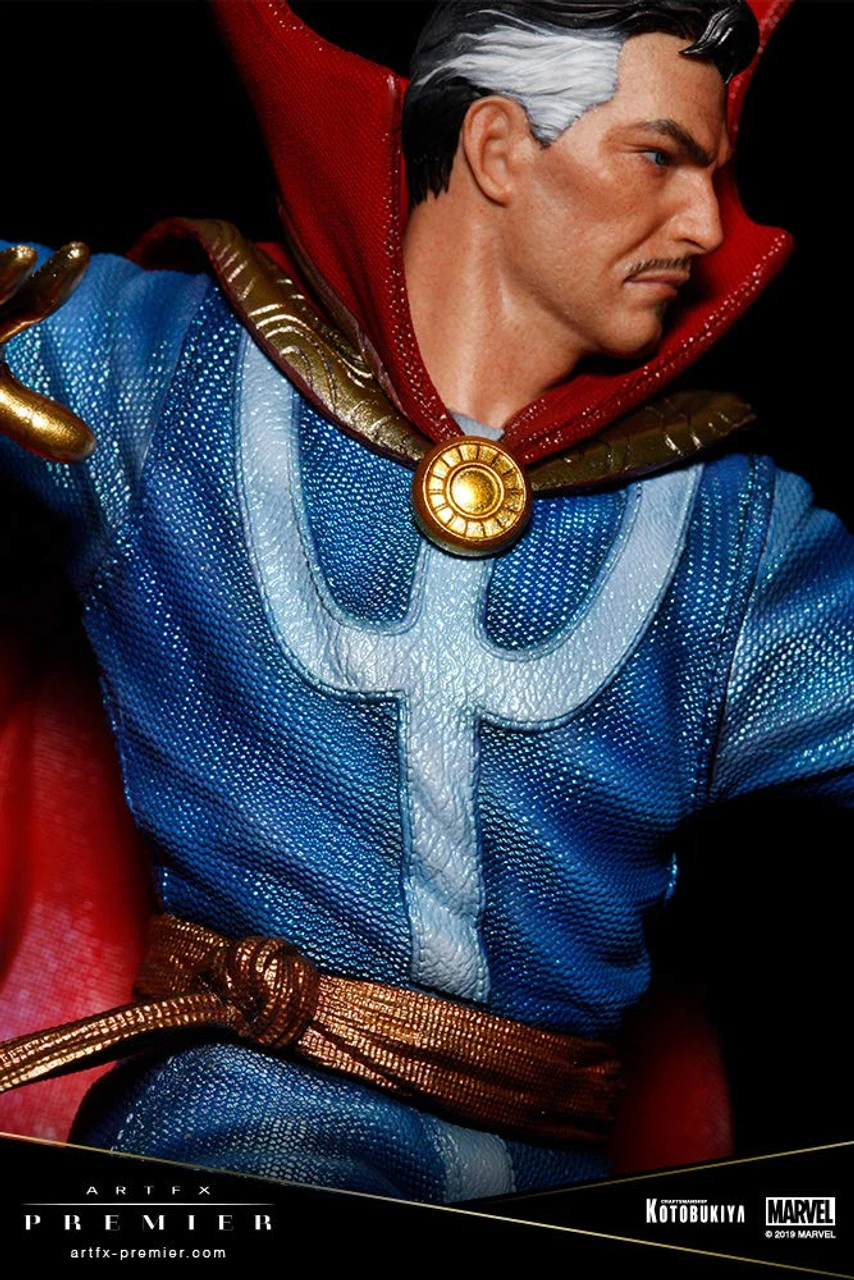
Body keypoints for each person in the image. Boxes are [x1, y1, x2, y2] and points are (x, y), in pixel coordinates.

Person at [0, 0, 850, 1204]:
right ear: (497, 148)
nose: (707, 226)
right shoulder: (165, 379)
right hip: (233, 1144)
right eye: (657, 158)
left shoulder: (729, 537)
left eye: (710, 174)